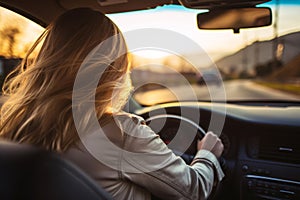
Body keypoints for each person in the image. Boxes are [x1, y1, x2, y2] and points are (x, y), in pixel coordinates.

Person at [0, 8, 224, 200]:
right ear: (111, 70)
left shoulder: (14, 125)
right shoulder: (119, 132)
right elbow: (193, 190)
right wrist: (207, 154)